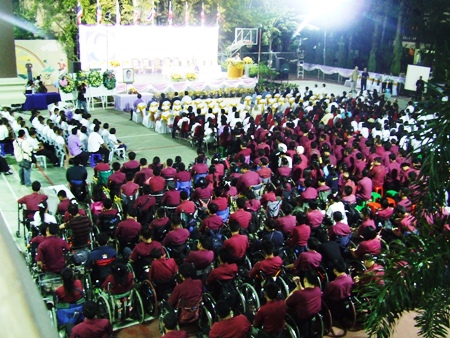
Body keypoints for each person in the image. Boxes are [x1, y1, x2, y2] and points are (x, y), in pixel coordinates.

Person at [286, 270, 322, 338]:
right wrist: (298, 283)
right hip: (313, 313)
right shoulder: (318, 290)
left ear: (305, 279)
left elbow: (287, 302)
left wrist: (295, 290)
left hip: (300, 317)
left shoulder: (299, 294)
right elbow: (304, 290)